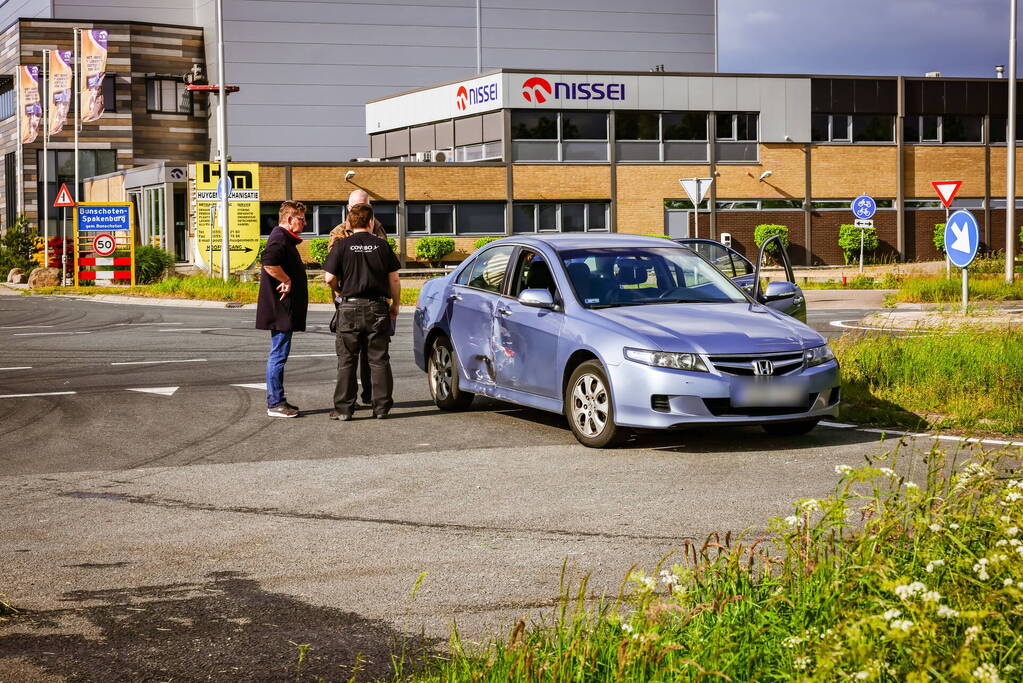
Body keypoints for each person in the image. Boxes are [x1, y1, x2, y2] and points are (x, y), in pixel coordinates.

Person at [323, 203, 400, 420]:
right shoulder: (382, 245)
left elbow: (328, 278)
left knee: (347, 360)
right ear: (370, 222)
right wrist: (395, 304)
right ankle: (381, 407)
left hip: (348, 307)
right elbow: (394, 278)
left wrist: (339, 292)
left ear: (350, 223)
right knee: (379, 359)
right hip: (377, 307)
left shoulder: (342, 245)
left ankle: (344, 409)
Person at [255, 201, 309, 418]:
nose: (305, 223)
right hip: (280, 310)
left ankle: (278, 400)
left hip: (283, 310)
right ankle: (275, 403)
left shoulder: (284, 239)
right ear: (289, 219)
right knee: (278, 355)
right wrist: (286, 279)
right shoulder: (279, 238)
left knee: (279, 354)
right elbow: (269, 262)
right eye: (301, 219)